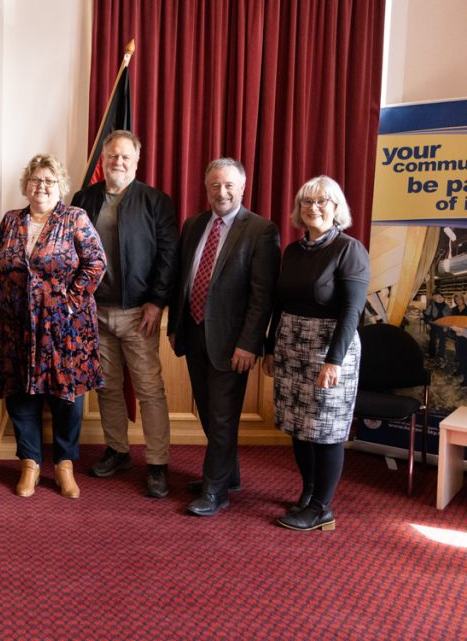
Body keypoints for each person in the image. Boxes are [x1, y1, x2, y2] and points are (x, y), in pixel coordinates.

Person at [0, 154, 107, 498]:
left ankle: (64, 464)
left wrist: (69, 302)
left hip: (65, 327)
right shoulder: (11, 220)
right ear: (26, 185)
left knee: (66, 397)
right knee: (20, 394)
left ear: (60, 186)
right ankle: (30, 463)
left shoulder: (75, 218)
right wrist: (0, 300)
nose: (41, 186)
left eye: (49, 181)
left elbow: (96, 263)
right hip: (17, 327)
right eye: (35, 180)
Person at [168, 158, 280, 517]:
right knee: (208, 410)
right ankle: (228, 475)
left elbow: (262, 296)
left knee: (222, 417)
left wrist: (249, 343)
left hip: (233, 343)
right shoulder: (194, 224)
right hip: (194, 333)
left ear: (242, 188)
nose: (222, 192)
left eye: (229, 185)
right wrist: (175, 327)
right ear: (206, 188)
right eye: (215, 185)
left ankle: (214, 491)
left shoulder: (261, 230)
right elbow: (182, 279)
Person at [71, 130, 177, 498]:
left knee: (149, 390)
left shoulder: (154, 201)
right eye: (112, 156)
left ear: (136, 161)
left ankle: (158, 463)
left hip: (138, 313)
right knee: (107, 387)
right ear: (103, 159)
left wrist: (156, 301)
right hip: (94, 311)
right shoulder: (84, 199)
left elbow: (168, 256)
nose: (118, 162)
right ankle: (117, 450)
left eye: (125, 157)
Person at [263, 176, 369, 532]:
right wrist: (270, 348)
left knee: (326, 430)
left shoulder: (349, 250)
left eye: (322, 201)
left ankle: (322, 508)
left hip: (330, 348)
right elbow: (280, 303)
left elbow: (352, 312)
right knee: (299, 426)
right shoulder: (293, 251)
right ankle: (308, 494)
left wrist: (334, 361)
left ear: (336, 207)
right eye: (307, 201)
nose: (313, 207)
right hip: (292, 346)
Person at [423, 293, 450, 359]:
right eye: (437, 298)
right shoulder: (432, 306)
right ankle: (432, 354)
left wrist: (446, 326)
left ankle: (441, 355)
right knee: (432, 340)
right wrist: (429, 323)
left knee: (442, 341)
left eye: (440, 297)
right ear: (435, 299)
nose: (439, 299)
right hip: (434, 325)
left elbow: (449, 318)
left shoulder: (447, 307)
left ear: (443, 298)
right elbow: (426, 316)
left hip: (443, 326)